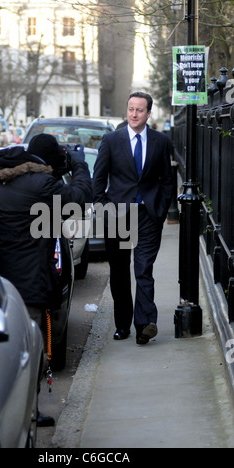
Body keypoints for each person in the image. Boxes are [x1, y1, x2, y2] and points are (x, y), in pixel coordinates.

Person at [0, 134, 92, 426]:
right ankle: (28, 417)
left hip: (0, 282)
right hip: (29, 283)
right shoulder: (42, 185)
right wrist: (80, 166)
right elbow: (79, 199)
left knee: (8, 352)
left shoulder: (2, 181)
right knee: (30, 352)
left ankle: (18, 414)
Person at [93, 92, 173, 345]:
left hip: (147, 215)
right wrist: (105, 208)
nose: (134, 114)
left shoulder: (161, 141)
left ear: (149, 113)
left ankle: (144, 324)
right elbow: (98, 180)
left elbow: (167, 181)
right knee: (119, 272)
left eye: (140, 110)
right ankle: (123, 324)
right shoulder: (110, 140)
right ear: (126, 111)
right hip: (117, 215)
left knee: (143, 269)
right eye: (131, 109)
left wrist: (160, 210)